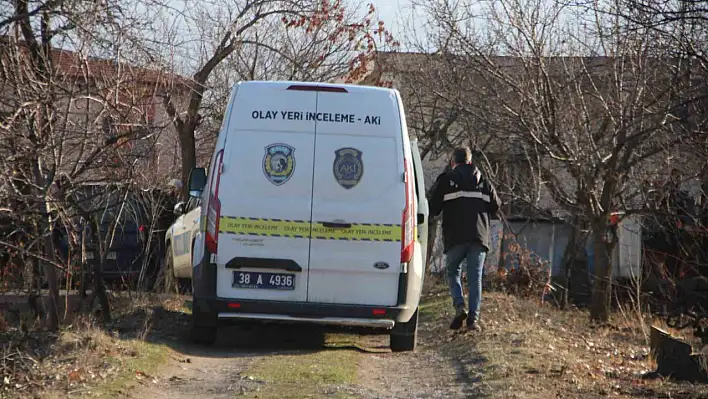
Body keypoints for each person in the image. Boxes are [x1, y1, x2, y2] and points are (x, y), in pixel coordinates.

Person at [428, 146, 501, 331]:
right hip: (479, 236)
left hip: (455, 236)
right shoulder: (484, 180)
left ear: (453, 162)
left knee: (452, 272)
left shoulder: (446, 180)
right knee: (475, 277)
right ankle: (473, 320)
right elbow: (496, 206)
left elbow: (433, 208)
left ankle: (460, 307)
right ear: (470, 161)